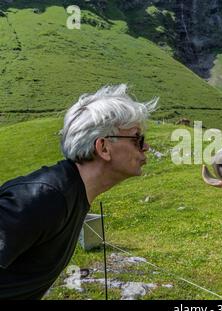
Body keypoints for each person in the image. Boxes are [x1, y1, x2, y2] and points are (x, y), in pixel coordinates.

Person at [0, 84, 158, 299]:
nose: (146, 146)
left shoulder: (69, 193)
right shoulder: (43, 198)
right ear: (103, 148)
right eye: (137, 138)